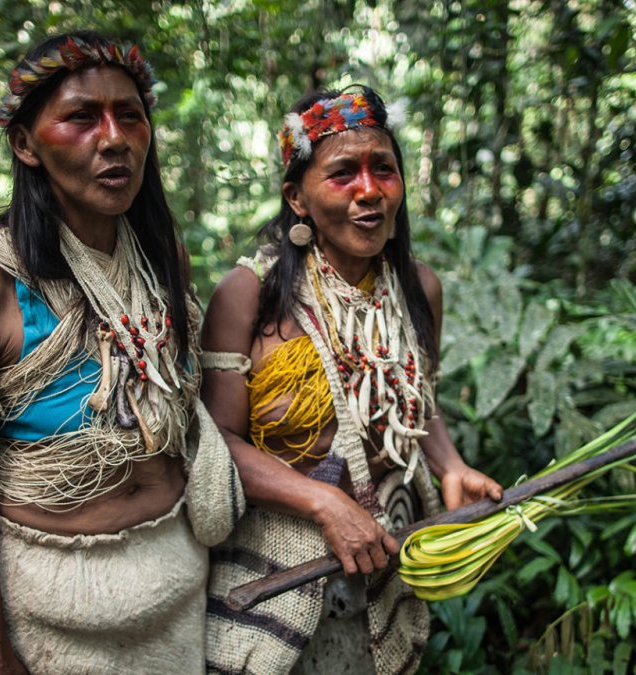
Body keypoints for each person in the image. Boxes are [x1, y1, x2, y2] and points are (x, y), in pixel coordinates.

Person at [0, 32, 241, 674]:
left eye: (130, 115)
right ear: (25, 144)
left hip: (175, 605)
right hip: (48, 615)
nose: (113, 138)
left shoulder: (159, 261)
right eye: (81, 117)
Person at [201, 87, 503, 674]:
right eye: (342, 173)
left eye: (383, 169)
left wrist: (452, 466)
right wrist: (323, 502)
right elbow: (217, 445)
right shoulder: (247, 295)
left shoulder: (418, 287)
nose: (369, 191)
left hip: (385, 561)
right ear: (297, 197)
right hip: (275, 569)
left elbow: (420, 398)